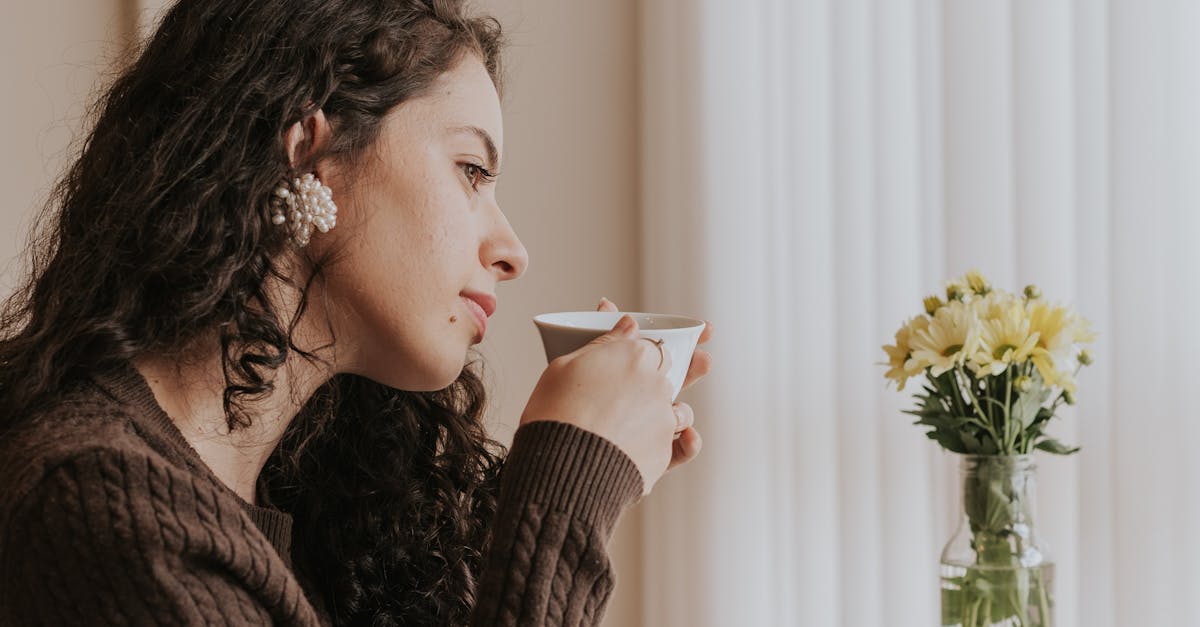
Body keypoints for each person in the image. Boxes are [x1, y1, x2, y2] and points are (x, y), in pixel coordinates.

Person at [0, 0, 712, 625]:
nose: (512, 250)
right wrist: (565, 502)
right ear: (311, 154)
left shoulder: (300, 513)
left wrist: (557, 499)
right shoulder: (104, 509)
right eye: (470, 170)